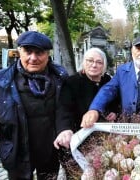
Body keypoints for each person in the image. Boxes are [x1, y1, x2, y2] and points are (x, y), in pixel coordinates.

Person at [0, 31, 73, 179]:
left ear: (47, 54)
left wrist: (65, 129)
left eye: (39, 53)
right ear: (19, 52)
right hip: (17, 153)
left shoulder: (60, 78)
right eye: (28, 52)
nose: (33, 58)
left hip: (50, 152)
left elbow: (64, 109)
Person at [54, 48, 119, 178]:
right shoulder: (71, 82)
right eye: (90, 61)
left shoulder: (108, 81)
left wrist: (114, 112)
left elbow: (116, 101)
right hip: (79, 138)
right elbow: (63, 109)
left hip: (103, 141)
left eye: (99, 62)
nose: (94, 65)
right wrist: (65, 129)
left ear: (104, 65)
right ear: (84, 62)